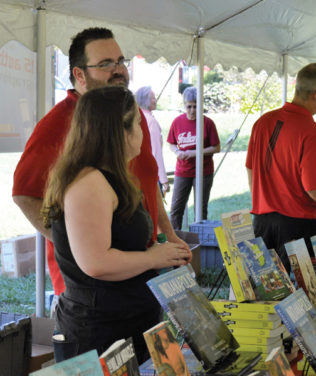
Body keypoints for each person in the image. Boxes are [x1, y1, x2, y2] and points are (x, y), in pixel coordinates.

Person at [12, 27, 189, 307]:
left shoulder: (129, 114)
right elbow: (24, 194)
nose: (118, 70)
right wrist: (76, 245)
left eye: (120, 61)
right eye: (106, 64)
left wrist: (168, 235)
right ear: (79, 74)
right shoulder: (57, 125)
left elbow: (147, 181)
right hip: (93, 289)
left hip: (141, 268)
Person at [41, 86, 192, 362]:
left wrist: (164, 247)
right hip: (97, 334)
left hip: (125, 325)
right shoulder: (88, 183)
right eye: (137, 123)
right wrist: (151, 258)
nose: (142, 131)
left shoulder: (111, 176)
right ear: (119, 131)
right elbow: (95, 263)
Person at [246, 63, 316, 271]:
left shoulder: (263, 122)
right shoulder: (312, 132)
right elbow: (315, 188)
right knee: (304, 295)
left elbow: (251, 168)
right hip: (296, 227)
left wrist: (262, 198)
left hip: (261, 222)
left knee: (266, 293)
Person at [167, 86, 220, 230]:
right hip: (183, 170)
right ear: (184, 105)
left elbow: (216, 147)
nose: (192, 110)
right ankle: (176, 238)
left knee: (200, 209)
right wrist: (177, 151)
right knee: (176, 207)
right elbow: (171, 143)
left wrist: (194, 153)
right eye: (189, 106)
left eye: (195, 107)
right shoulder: (177, 122)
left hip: (203, 171)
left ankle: (200, 240)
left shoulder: (207, 123)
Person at [136, 86, 169, 196]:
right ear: (145, 100)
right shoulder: (150, 121)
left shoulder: (137, 118)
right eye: (153, 98)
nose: (156, 100)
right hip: (152, 175)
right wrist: (164, 179)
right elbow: (156, 152)